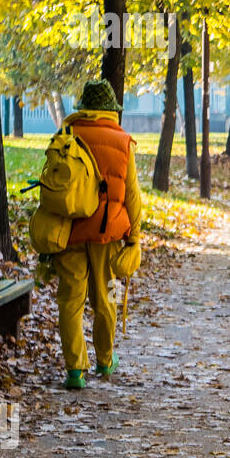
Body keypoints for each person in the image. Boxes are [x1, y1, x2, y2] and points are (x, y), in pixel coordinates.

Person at [56, 79, 142, 391]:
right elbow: (131, 193)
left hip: (69, 230)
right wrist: (135, 234)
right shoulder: (121, 140)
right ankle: (105, 359)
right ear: (109, 111)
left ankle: (75, 369)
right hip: (107, 232)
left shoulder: (65, 134)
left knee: (70, 300)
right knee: (105, 298)